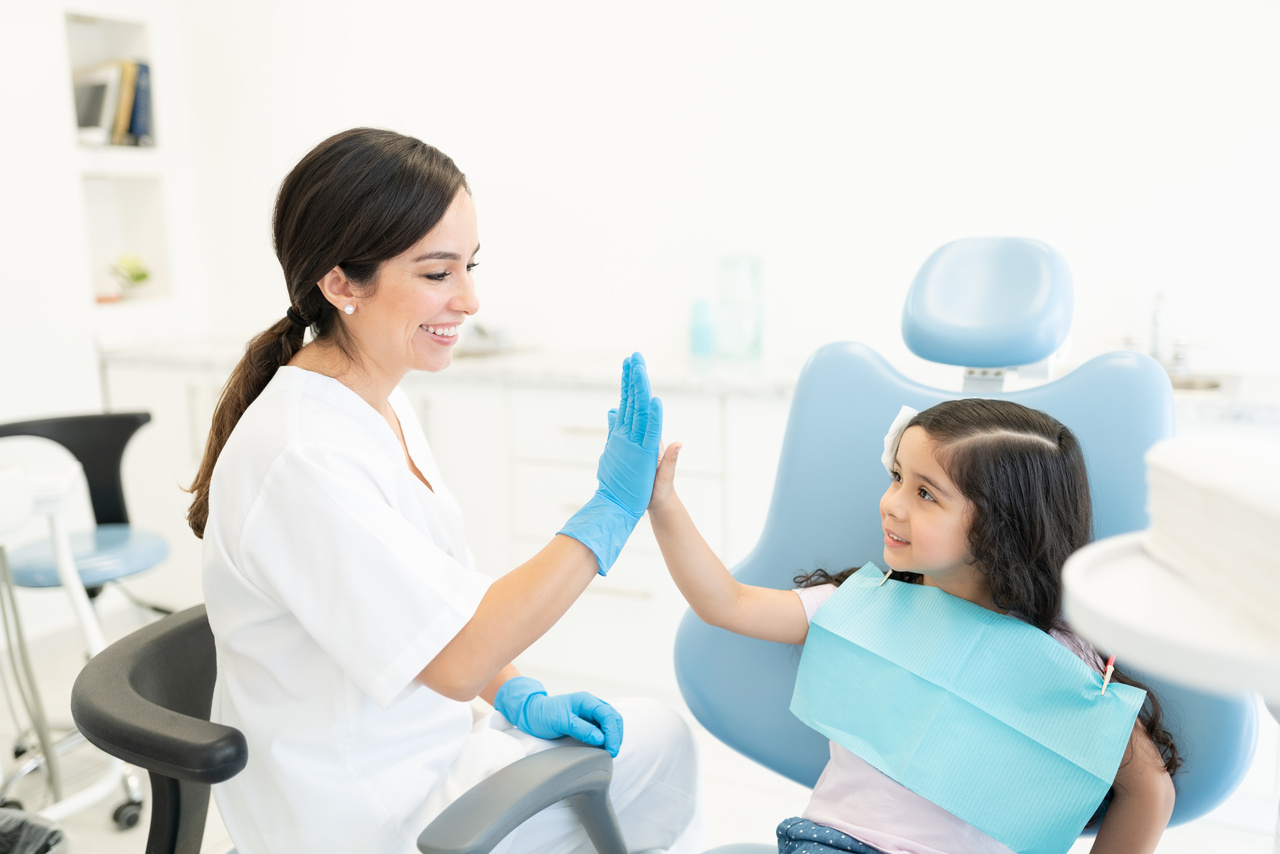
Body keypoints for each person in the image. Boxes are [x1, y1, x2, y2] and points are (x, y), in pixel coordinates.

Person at [185, 128, 700, 853]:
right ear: (341, 284)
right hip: (373, 822)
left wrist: (520, 693)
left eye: (470, 266)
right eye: (437, 274)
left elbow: (437, 611)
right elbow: (457, 656)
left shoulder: (371, 401)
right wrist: (609, 513)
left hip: (424, 764)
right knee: (657, 746)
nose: (469, 298)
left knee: (656, 741)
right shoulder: (305, 455)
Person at [648, 397, 1179, 854]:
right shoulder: (864, 605)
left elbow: (1148, 787)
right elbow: (727, 602)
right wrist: (663, 503)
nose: (890, 505)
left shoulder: (1060, 657)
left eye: (925, 494)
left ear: (1002, 526)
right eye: (897, 477)